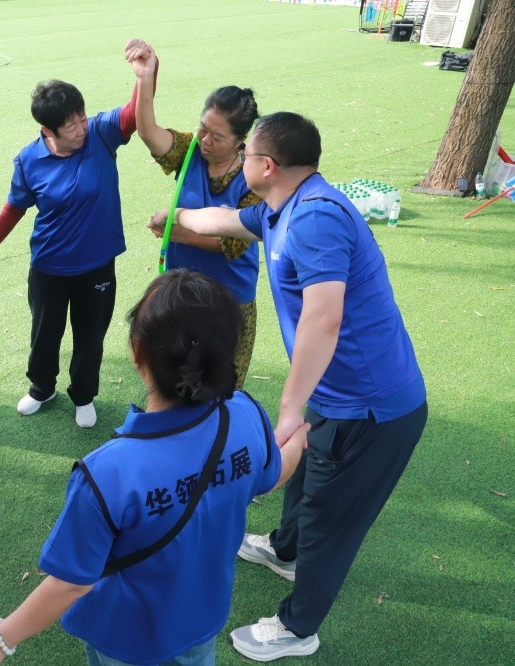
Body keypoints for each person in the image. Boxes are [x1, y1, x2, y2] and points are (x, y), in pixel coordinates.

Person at [0, 270, 308, 666]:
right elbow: (275, 473)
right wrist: (297, 436)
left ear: (137, 353)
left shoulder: (107, 473)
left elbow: (71, 584)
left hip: (123, 638)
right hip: (200, 621)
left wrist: (0, 638)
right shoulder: (246, 416)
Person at [173, 112, 428, 661]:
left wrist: (290, 408)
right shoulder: (280, 206)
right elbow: (226, 220)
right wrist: (174, 216)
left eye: (246, 155)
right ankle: (283, 549)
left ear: (266, 166)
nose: (239, 160)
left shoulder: (315, 219)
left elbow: (323, 317)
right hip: (337, 393)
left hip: (372, 409)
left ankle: (298, 627)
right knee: (307, 474)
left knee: (329, 520)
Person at [0, 72, 141, 428]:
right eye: (70, 125)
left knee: (90, 336)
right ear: (48, 131)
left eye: (82, 117)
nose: (80, 129)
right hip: (49, 266)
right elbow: (14, 207)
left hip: (96, 265)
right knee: (44, 334)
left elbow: (135, 112)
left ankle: (84, 395)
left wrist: (145, 74)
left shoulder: (101, 134)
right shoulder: (28, 159)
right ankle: (42, 388)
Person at [126, 39, 262, 388]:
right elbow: (148, 132)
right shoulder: (189, 151)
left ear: (241, 140)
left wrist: (175, 229)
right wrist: (145, 77)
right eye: (203, 128)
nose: (205, 140)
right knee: (175, 380)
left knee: (223, 386)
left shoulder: (255, 177)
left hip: (230, 302)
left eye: (217, 136)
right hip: (182, 296)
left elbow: (231, 243)